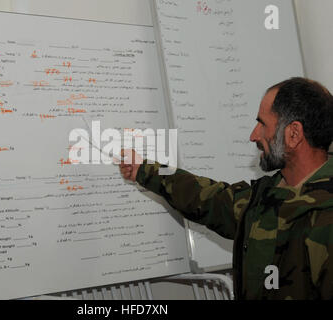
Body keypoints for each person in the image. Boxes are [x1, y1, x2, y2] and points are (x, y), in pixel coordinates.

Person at [119, 77, 333, 300]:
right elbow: (206, 198)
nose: (254, 135)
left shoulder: (326, 217)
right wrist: (144, 169)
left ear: (294, 134)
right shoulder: (267, 196)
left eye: (263, 124)